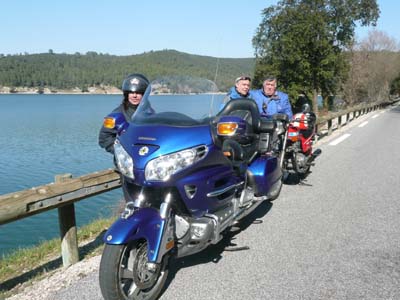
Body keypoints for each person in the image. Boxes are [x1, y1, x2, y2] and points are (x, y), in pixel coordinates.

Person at [98, 73, 149, 154]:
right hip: (126, 162)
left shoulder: (149, 112)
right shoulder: (114, 115)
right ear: (126, 94)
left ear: (144, 95)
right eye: (131, 92)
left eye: (138, 93)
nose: (134, 96)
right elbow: (104, 138)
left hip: (146, 157)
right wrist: (120, 152)